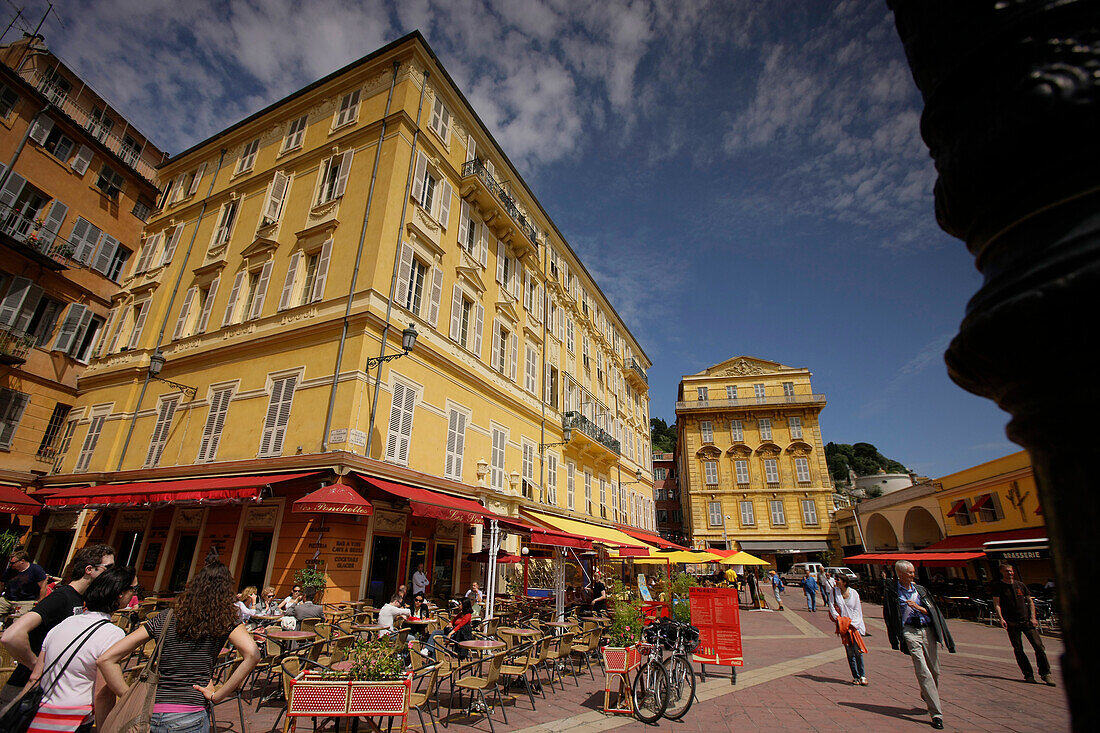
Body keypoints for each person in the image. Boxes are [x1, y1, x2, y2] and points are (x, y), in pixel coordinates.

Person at [98, 559, 260, 733]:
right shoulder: (224, 620)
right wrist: (218, 696)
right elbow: (252, 654)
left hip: (151, 712)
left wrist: (127, 696)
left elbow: (106, 659)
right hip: (190, 713)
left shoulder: (166, 617)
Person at [24, 566, 137, 732]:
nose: (135, 594)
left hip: (40, 716)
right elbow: (103, 694)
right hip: (75, 720)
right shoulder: (112, 634)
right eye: (134, 589)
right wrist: (103, 728)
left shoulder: (64, 624)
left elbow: (35, 677)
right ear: (120, 593)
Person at [0, 544, 115, 706]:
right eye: (108, 567)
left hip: (46, 690)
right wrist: (36, 665)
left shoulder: (79, 599)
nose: (111, 573)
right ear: (89, 569)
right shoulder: (61, 597)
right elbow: (11, 636)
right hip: (25, 689)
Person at [883, 560, 955, 730]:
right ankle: (936, 714)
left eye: (913, 572)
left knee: (934, 671)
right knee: (922, 670)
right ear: (900, 574)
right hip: (910, 631)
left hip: (927, 630)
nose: (912, 575)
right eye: (909, 572)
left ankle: (926, 692)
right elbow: (889, 614)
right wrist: (895, 637)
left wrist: (919, 608)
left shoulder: (921, 590)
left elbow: (934, 611)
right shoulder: (893, 592)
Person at [991, 563, 1054, 686]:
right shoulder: (998, 587)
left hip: (1026, 621)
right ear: (1002, 572)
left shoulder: (1020, 585)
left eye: (1011, 571)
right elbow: (996, 603)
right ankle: (1028, 674)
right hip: (1011, 622)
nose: (1010, 573)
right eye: (1007, 571)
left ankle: (1046, 673)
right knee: (1018, 649)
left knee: (1039, 646)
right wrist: (1001, 618)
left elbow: (1030, 601)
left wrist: (1033, 617)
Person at [828, 574, 868, 685]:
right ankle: (855, 676)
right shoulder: (834, 592)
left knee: (858, 650)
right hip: (843, 626)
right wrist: (839, 619)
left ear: (844, 582)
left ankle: (863, 675)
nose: (835, 581)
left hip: (854, 625)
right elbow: (831, 606)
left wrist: (853, 623)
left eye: (837, 579)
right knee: (849, 651)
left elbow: (857, 610)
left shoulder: (854, 593)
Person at [0, 550, 48, 616]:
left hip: (26, 602)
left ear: (22, 561)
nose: (11, 565)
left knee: (18, 621)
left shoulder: (36, 570)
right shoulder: (10, 570)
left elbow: (43, 587)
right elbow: (2, 584)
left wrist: (39, 602)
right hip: (7, 599)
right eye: (10, 563)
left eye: (13, 563)